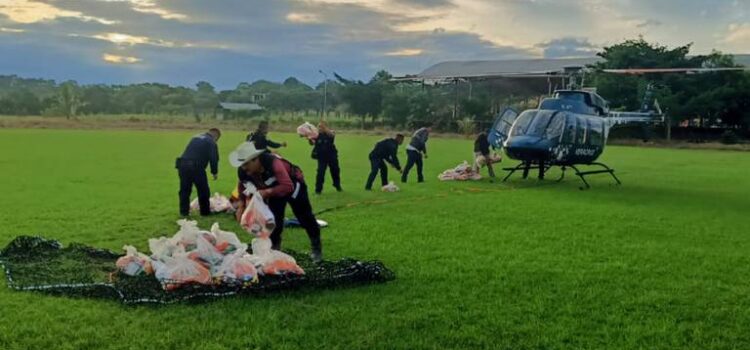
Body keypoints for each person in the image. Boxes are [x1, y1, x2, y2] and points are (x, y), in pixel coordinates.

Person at [230, 142, 323, 262]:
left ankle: (316, 248)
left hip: (294, 187)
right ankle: (274, 250)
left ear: (255, 159)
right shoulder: (243, 171)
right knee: (274, 220)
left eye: (246, 164)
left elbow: (287, 186)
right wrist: (241, 206)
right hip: (274, 191)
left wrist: (266, 192)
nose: (244, 168)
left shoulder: (274, 163)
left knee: (305, 217)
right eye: (242, 165)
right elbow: (243, 186)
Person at [176, 128, 221, 216]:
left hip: (182, 165)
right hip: (196, 166)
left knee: (184, 190)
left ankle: (183, 212)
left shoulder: (195, 137)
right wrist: (214, 172)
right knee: (203, 190)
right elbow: (214, 158)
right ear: (216, 136)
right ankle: (205, 212)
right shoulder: (211, 142)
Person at [310, 121, 341, 194]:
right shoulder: (317, 135)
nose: (320, 128)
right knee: (320, 173)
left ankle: (337, 185)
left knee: (335, 171)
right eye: (319, 126)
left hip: (332, 155)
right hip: (321, 157)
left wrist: (325, 129)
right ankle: (318, 190)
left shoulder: (331, 132)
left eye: (321, 126)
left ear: (326, 127)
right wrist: (309, 139)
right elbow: (312, 143)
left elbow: (332, 135)